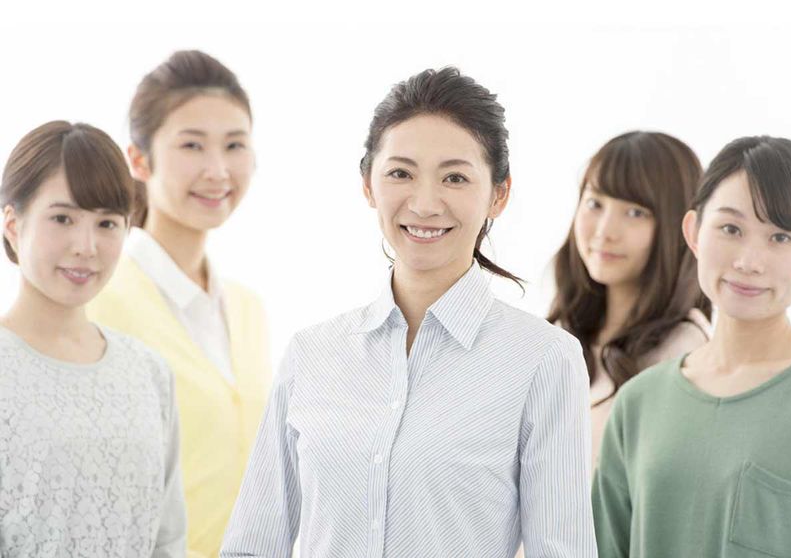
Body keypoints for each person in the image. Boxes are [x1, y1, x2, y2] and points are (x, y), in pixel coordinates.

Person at [221, 67, 596, 558]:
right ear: (368, 184)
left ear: (498, 194)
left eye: (455, 177)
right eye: (401, 173)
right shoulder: (311, 354)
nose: (424, 203)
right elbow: (252, 546)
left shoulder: (543, 360)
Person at [86, 50, 269, 558]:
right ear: (139, 160)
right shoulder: (100, 304)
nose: (218, 170)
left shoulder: (248, 310)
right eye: (192, 145)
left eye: (234, 145)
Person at [592, 136, 791, 557]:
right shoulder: (639, 402)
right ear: (693, 232)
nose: (748, 261)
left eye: (780, 237)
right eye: (731, 229)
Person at [0, 121, 185, 557]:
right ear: (13, 225)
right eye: (62, 218)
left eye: (106, 223)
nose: (86, 246)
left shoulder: (148, 372)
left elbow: (169, 538)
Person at [548, 132, 711, 467]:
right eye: (595, 204)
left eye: (635, 212)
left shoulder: (683, 350)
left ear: (679, 227)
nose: (604, 231)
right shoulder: (566, 330)